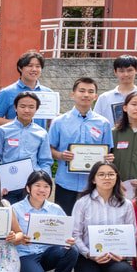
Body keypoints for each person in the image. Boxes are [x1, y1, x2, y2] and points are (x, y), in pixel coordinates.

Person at [71, 162, 137, 272]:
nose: (106, 178)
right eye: (101, 174)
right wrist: (89, 254)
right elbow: (75, 234)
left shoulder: (126, 204)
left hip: (114, 257)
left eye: (110, 174)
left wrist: (123, 254)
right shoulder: (82, 203)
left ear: (116, 178)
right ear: (93, 179)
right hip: (88, 257)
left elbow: (131, 233)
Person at [48, 77, 114, 215]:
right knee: (65, 221)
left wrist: (108, 157)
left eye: (90, 92)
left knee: (91, 222)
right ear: (72, 94)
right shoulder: (59, 122)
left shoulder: (103, 123)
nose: (86, 95)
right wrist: (60, 155)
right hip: (65, 182)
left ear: (95, 96)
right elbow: (49, 149)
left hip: (93, 184)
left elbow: (108, 151)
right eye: (82, 91)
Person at [12, 172, 77, 272]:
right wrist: (19, 239)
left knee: (72, 251)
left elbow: (66, 232)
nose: (42, 190)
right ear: (28, 188)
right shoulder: (15, 209)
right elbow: (9, 238)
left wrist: (68, 240)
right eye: (37, 185)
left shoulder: (56, 209)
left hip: (47, 253)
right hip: (25, 255)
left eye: (46, 186)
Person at [0, 91, 53, 203]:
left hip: (31, 185)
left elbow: (45, 161)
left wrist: (43, 183)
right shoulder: (3, 130)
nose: (26, 110)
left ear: (36, 109)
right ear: (15, 107)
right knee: (9, 216)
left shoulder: (41, 133)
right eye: (22, 106)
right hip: (8, 186)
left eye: (31, 107)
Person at [0, 51, 52, 128]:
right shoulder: (6, 92)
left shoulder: (48, 93)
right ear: (20, 68)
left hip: (39, 139)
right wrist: (19, 123)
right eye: (30, 66)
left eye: (38, 66)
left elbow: (51, 122)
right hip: (15, 138)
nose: (34, 69)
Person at [93, 55, 137, 126]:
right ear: (115, 72)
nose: (126, 74)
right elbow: (96, 122)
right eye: (121, 71)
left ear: (136, 70)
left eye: (130, 70)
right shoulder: (104, 97)